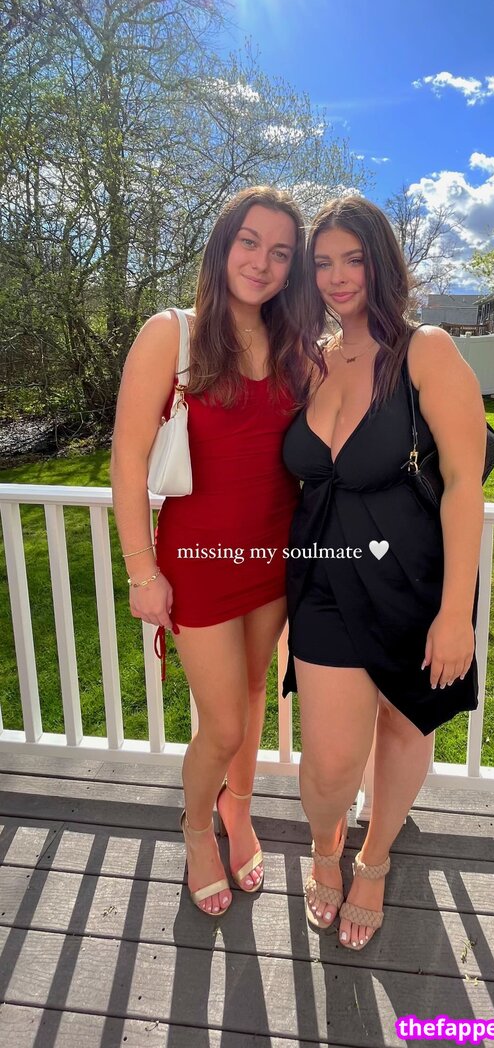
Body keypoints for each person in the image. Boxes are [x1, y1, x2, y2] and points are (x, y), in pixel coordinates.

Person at [281, 195, 487, 949]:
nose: (337, 277)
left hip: (414, 582)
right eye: (322, 263)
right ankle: (324, 843)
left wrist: (454, 613)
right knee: (330, 762)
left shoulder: (424, 349)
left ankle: (374, 858)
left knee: (404, 723)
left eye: (354, 259)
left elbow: (464, 483)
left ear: (382, 263)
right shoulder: (311, 358)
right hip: (325, 578)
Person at [111, 186, 309, 917]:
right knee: (222, 722)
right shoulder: (174, 333)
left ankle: (238, 807)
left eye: (280, 252)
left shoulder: (293, 347)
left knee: (254, 696)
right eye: (249, 242)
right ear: (223, 246)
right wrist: (142, 572)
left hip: (272, 558)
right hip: (197, 561)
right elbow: (128, 459)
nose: (262, 261)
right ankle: (197, 826)